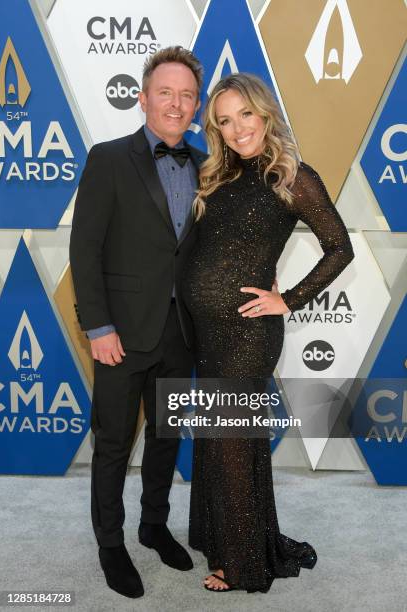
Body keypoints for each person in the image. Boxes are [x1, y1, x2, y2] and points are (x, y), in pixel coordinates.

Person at [182, 73, 355, 593]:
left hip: (247, 335)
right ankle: (230, 539)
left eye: (245, 116)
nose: (237, 130)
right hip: (206, 334)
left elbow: (340, 248)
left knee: (232, 440)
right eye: (225, 121)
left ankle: (242, 566)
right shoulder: (216, 175)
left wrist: (287, 299)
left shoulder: (294, 177)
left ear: (265, 114)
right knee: (220, 439)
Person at [69, 46, 206, 599]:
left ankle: (153, 526)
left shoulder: (204, 165)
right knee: (112, 444)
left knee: (167, 436)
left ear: (196, 106)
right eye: (166, 92)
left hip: (181, 332)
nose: (176, 104)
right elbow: (85, 249)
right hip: (120, 335)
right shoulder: (108, 158)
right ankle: (110, 543)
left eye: (187, 96)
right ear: (144, 96)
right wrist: (98, 328)